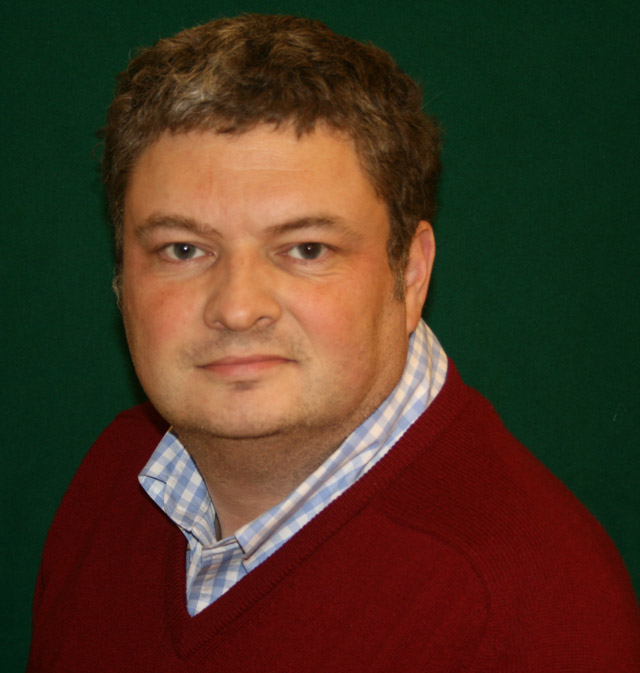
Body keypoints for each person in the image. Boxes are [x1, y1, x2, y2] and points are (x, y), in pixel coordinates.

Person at [28, 14, 640, 671]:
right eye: (182, 249)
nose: (237, 307)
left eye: (306, 249)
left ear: (411, 272)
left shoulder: (534, 618)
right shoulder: (116, 476)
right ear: (121, 278)